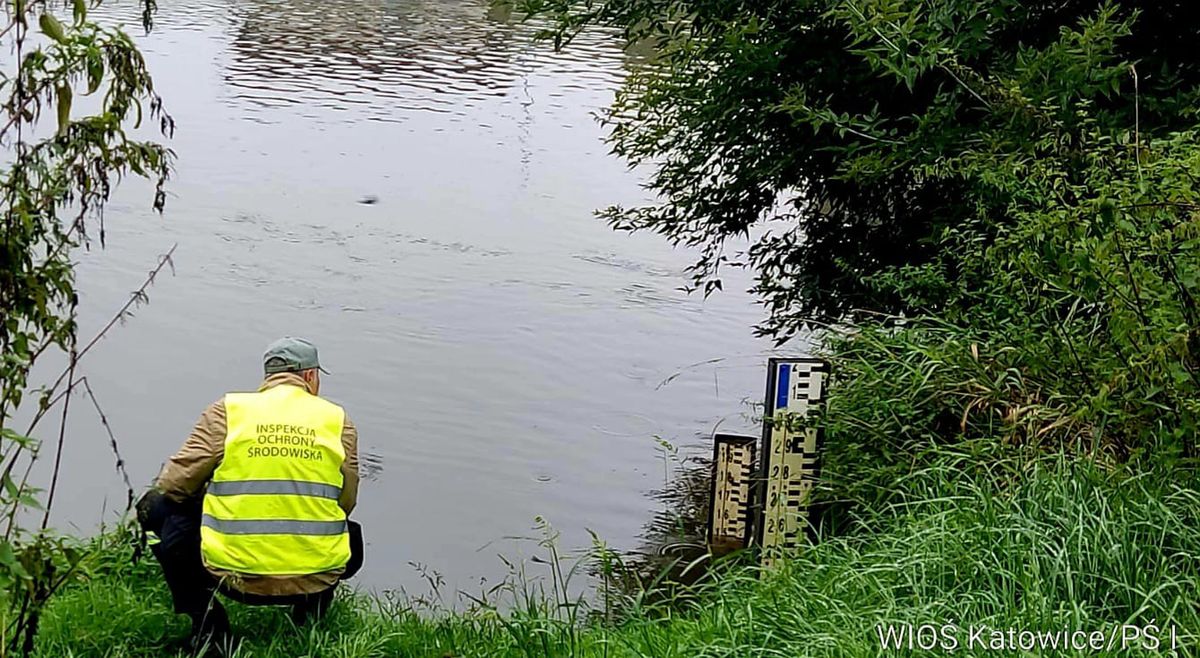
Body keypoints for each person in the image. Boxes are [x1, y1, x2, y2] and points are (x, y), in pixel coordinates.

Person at [137, 337, 363, 652]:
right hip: (316, 576)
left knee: (157, 508)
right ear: (311, 377)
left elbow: (174, 486)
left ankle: (209, 623)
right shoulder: (338, 421)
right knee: (346, 529)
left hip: (234, 578)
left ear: (268, 376)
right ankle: (308, 618)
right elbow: (346, 501)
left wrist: (216, 496)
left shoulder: (227, 412)